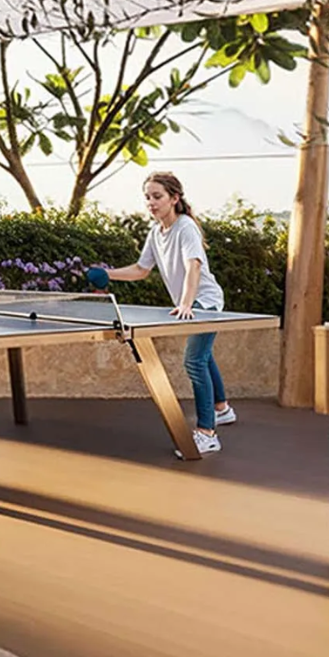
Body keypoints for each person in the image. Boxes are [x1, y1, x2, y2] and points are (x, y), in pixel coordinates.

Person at [104, 171, 234, 456]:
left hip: (205, 302)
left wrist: (187, 303)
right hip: (190, 302)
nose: (151, 202)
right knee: (204, 355)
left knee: (194, 361)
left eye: (157, 196)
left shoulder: (185, 227)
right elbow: (141, 270)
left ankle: (207, 433)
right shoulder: (156, 232)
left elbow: (194, 266)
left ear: (174, 198)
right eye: (147, 197)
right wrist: (107, 274)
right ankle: (222, 409)